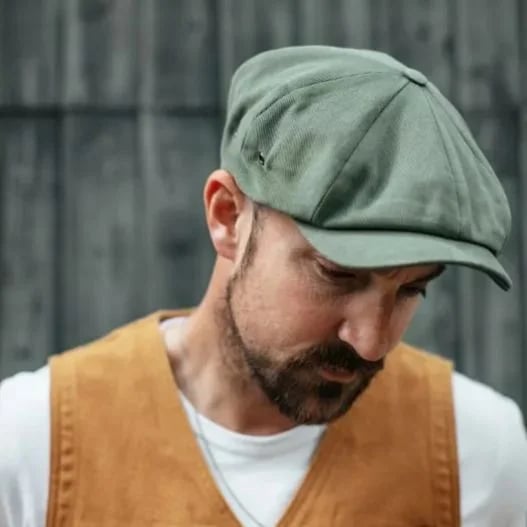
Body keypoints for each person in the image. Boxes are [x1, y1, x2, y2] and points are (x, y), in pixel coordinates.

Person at [1, 46, 526, 527]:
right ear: (228, 216)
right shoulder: (30, 443)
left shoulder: (478, 449)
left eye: (412, 289)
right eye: (336, 274)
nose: (371, 342)